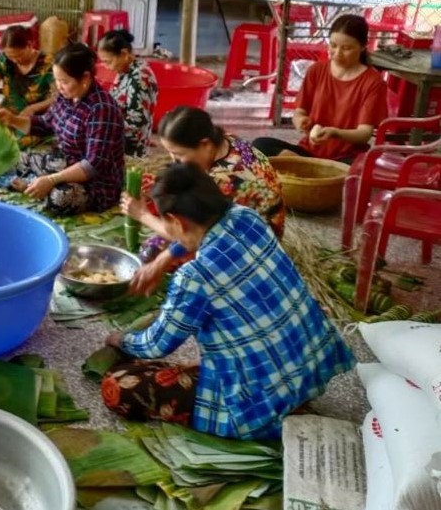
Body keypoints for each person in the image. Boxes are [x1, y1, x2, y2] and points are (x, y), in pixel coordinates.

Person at [104, 163, 354, 440]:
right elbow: (189, 236)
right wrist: (166, 258)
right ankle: (290, 399)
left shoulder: (194, 277)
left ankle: (266, 415)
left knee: (119, 387)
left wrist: (121, 340)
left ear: (177, 220)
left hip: (254, 410)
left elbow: (156, 345)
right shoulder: (247, 217)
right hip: (311, 371)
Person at [121, 106, 285, 296]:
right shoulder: (224, 141)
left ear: (205, 144)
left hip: (253, 247)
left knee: (153, 251)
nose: (174, 161)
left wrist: (142, 215)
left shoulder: (226, 179)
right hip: (231, 225)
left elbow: (194, 234)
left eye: (179, 155)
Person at [0, 43, 125, 214]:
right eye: (56, 80)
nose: (59, 86)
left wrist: (51, 180)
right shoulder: (66, 97)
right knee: (9, 158)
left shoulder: (101, 109)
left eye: (64, 81)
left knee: (59, 198)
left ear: (85, 78)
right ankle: (34, 183)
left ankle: (35, 184)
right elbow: (44, 123)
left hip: (95, 182)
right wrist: (12, 120)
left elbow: (92, 165)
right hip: (63, 164)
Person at [253, 14, 388, 162]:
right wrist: (301, 121)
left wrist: (335, 133)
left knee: (356, 170)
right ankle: (307, 168)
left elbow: (364, 134)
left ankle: (303, 168)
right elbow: (299, 112)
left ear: (363, 47)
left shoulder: (373, 82)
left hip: (346, 157)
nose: (337, 53)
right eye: (333, 45)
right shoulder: (316, 70)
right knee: (259, 145)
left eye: (346, 48)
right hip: (309, 151)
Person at [97, 29, 158, 157]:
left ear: (124, 54)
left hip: (130, 149)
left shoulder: (140, 78)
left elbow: (136, 123)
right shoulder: (125, 70)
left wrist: (101, 126)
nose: (107, 67)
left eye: (108, 61)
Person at [0, 25, 54, 117]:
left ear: (29, 45)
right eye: (10, 56)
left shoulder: (47, 63)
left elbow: (58, 97)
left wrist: (33, 108)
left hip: (37, 118)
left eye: (19, 55)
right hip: (9, 116)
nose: (15, 60)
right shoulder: (4, 60)